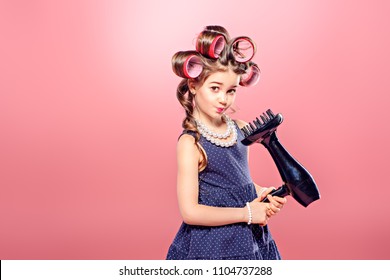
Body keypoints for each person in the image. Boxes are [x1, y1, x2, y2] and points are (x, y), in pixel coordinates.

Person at [166, 26, 287, 260]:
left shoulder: (240, 129)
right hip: (212, 244)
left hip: (249, 236)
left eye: (231, 90)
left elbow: (238, 181)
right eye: (215, 88)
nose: (224, 98)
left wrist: (260, 192)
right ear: (193, 86)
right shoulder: (191, 143)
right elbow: (190, 212)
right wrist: (247, 213)